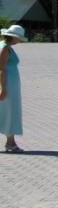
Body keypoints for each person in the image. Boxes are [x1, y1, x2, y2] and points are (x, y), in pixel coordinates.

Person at [0, 24, 27, 153]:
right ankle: (10, 143)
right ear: (13, 37)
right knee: (9, 113)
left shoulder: (4, 45)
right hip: (8, 85)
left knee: (7, 113)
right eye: (19, 38)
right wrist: (3, 88)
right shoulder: (5, 48)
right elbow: (1, 69)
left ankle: (11, 142)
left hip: (10, 85)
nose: (20, 41)